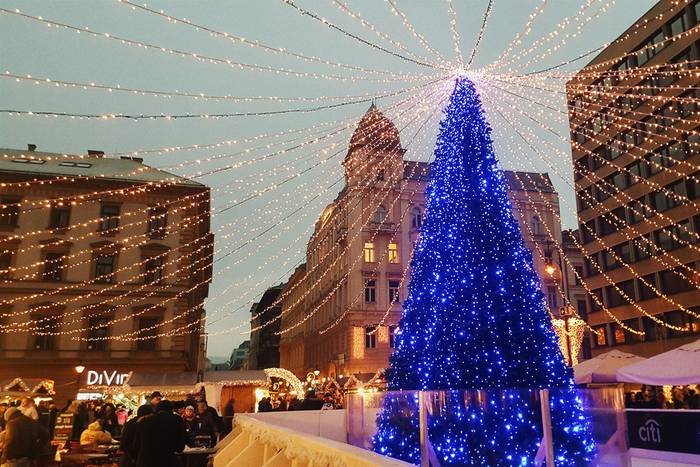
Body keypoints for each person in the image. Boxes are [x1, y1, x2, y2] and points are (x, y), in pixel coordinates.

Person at [134, 400, 187, 467]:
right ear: (171, 409)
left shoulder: (144, 421)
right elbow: (180, 447)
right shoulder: (176, 420)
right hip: (167, 461)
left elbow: (136, 445)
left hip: (145, 461)